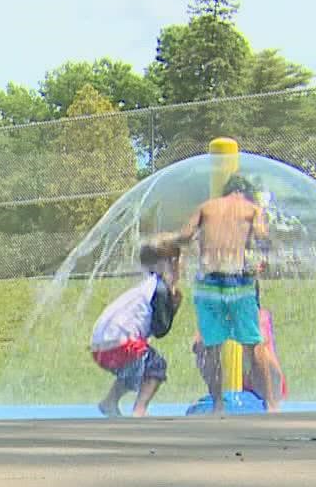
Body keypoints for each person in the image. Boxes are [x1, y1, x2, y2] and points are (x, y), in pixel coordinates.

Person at [178, 174, 284, 414]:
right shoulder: (251, 208)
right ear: (244, 194)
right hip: (238, 281)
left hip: (208, 283)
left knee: (210, 345)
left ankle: (217, 405)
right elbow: (263, 238)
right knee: (252, 344)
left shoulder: (206, 207)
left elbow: (184, 236)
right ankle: (271, 404)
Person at [89, 235, 183, 417]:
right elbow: (160, 330)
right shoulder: (160, 289)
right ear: (170, 263)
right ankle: (140, 410)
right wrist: (174, 307)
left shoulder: (145, 286)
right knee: (156, 365)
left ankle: (110, 402)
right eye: (179, 262)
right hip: (119, 345)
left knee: (136, 365)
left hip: (99, 346)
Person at [191, 307, 288, 407]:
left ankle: (270, 402)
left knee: (256, 345)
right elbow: (196, 346)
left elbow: (260, 341)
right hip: (232, 381)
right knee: (204, 345)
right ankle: (217, 399)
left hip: (263, 383)